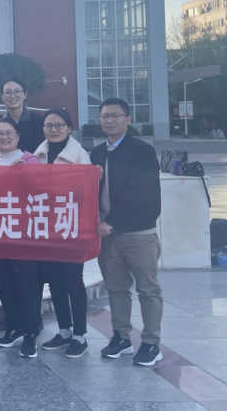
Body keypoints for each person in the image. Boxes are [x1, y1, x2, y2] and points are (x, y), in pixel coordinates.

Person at [91, 98, 164, 366]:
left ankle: (151, 343)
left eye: (115, 115)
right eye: (104, 116)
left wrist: (111, 220)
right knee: (116, 287)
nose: (109, 120)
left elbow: (139, 191)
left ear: (128, 119)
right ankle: (121, 337)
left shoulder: (141, 151)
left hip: (137, 233)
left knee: (147, 289)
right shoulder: (97, 153)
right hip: (108, 234)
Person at [34, 107, 92, 358]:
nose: (53, 130)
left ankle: (80, 335)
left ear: (69, 128)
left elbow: (86, 192)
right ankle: (64, 330)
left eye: (59, 125)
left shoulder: (80, 156)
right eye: (49, 125)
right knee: (55, 282)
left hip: (71, 227)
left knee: (72, 281)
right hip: (46, 228)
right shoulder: (38, 155)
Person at [0, 116, 43, 359]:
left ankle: (31, 332)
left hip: (23, 233)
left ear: (18, 136)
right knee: (4, 282)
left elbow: (41, 191)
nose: (4, 137)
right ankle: (14, 326)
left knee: (27, 283)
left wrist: (24, 175)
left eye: (9, 132)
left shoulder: (31, 161)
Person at [0, 77, 44, 153]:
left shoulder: (40, 122)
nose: (12, 96)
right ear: (2, 96)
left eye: (17, 91)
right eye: (7, 92)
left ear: (25, 95)